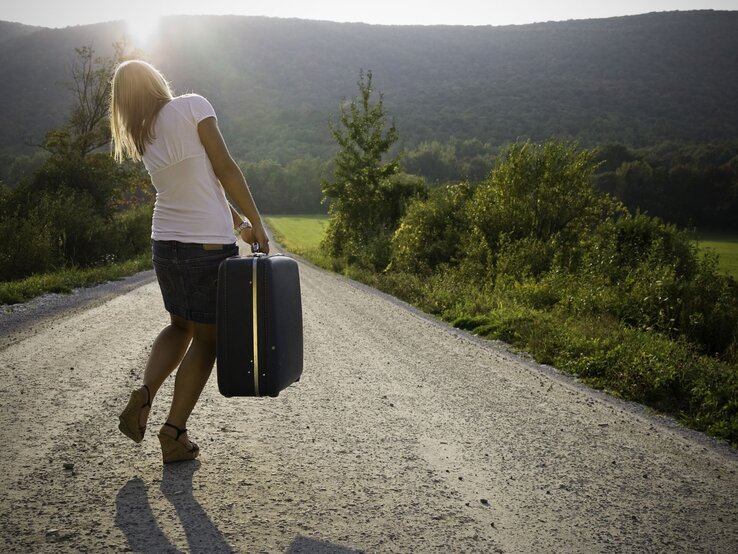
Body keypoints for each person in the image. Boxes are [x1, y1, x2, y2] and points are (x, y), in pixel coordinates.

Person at [110, 60, 269, 463]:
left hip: (165, 242)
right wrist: (259, 225)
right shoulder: (193, 106)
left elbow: (201, 183)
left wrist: (240, 225)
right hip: (207, 247)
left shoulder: (141, 135)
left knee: (178, 326)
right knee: (208, 338)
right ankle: (173, 432)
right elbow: (225, 170)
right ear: (155, 80)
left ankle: (145, 393)